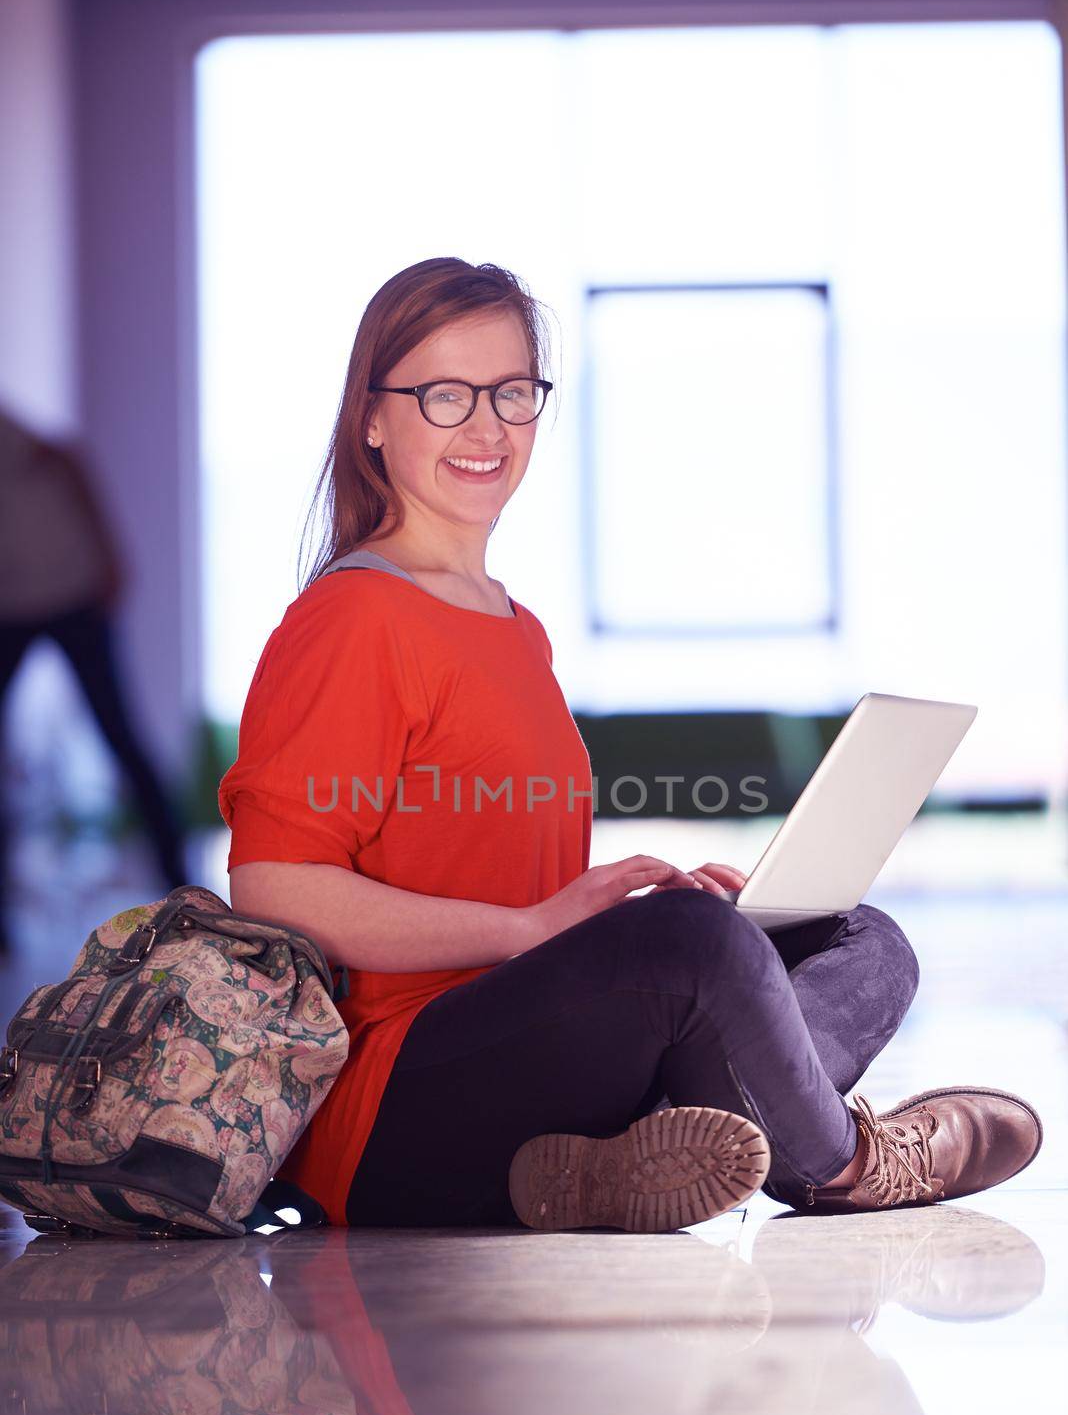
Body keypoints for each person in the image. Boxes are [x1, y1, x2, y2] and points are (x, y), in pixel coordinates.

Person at [218, 256, 1042, 1232]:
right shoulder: (353, 618)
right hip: (397, 1109)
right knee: (691, 946)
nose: (487, 427)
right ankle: (848, 1160)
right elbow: (275, 886)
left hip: (534, 1054)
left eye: (512, 391)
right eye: (445, 395)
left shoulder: (512, 625)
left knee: (860, 937)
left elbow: (499, 867)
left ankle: (621, 1162)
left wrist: (599, 914)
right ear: (371, 417)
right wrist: (533, 932)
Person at [0, 405, 190, 954]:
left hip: (73, 595)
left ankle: (182, 882)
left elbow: (69, 466)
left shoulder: (34, 446)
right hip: (10, 605)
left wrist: (109, 558)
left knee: (121, 736)